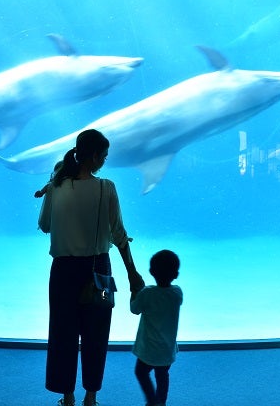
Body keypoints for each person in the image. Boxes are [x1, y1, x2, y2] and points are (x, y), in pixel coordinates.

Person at [38, 129, 145, 406]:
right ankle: (91, 398)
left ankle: (68, 397)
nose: (105, 161)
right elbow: (119, 235)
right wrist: (132, 273)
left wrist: (54, 185)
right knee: (96, 336)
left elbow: (45, 225)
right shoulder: (106, 188)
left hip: (62, 272)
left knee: (63, 334)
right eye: (104, 155)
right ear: (95, 156)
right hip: (99, 270)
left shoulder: (56, 186)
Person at [130, 250, 182, 406]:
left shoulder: (147, 293)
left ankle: (152, 401)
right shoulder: (177, 293)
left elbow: (134, 309)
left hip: (149, 350)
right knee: (163, 374)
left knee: (140, 372)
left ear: (151, 271)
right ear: (176, 274)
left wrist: (134, 292)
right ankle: (161, 402)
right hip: (167, 349)